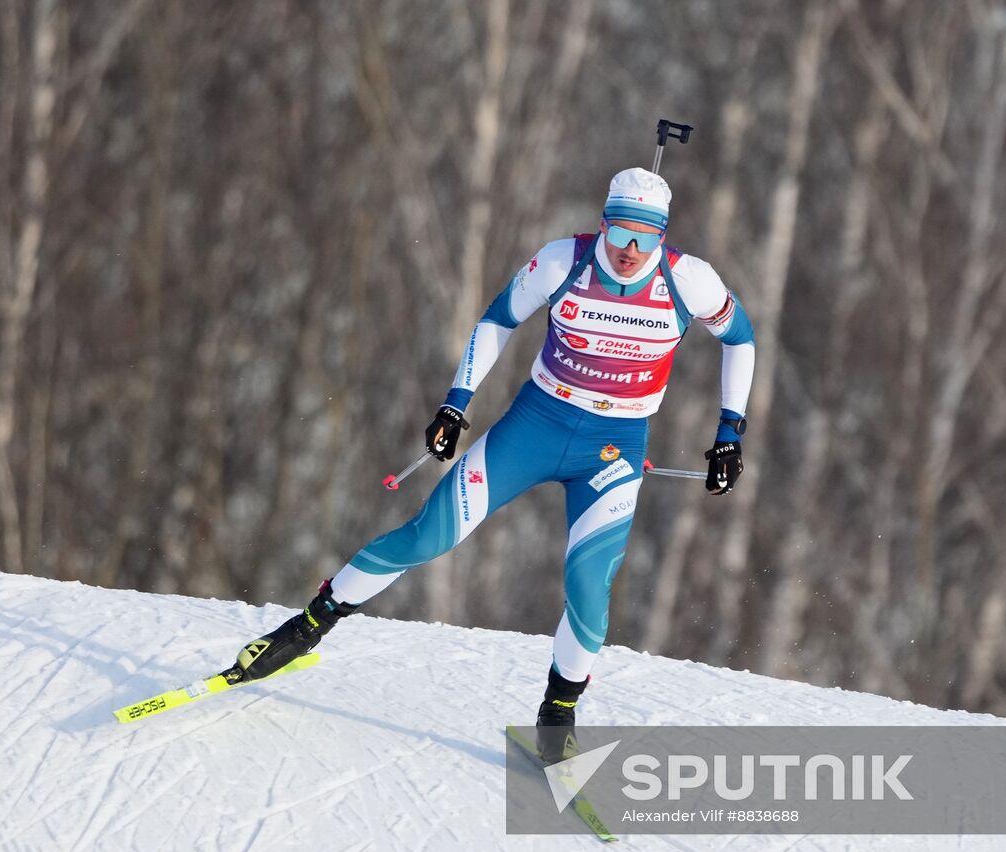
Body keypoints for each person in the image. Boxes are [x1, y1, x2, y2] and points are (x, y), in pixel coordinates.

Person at [226, 168, 756, 761]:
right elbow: (498, 320)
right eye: (622, 231)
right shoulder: (563, 262)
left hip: (613, 447)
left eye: (646, 237)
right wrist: (456, 403)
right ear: (604, 222)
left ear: (663, 237)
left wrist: (730, 433)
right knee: (428, 537)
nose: (631, 250)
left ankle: (557, 713)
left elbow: (741, 338)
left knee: (588, 586)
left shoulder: (689, 280)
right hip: (535, 427)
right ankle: (306, 625)